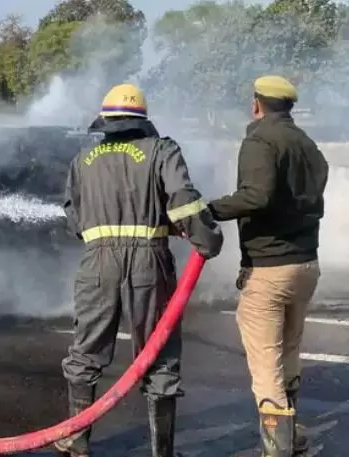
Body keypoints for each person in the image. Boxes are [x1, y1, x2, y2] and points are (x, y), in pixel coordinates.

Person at [55, 83, 224, 457]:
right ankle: (161, 452)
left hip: (96, 262)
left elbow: (73, 217)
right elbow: (182, 201)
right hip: (149, 261)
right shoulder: (162, 150)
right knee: (158, 353)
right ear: (142, 120)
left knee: (86, 352)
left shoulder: (82, 161)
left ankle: (75, 440)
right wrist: (207, 240)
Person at [208, 75, 329, 457]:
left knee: (266, 367)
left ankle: (277, 449)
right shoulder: (307, 144)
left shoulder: (260, 140)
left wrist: (206, 210)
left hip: (270, 268)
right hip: (305, 265)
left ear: (256, 104)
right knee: (289, 352)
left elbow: (256, 196)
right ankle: (292, 439)